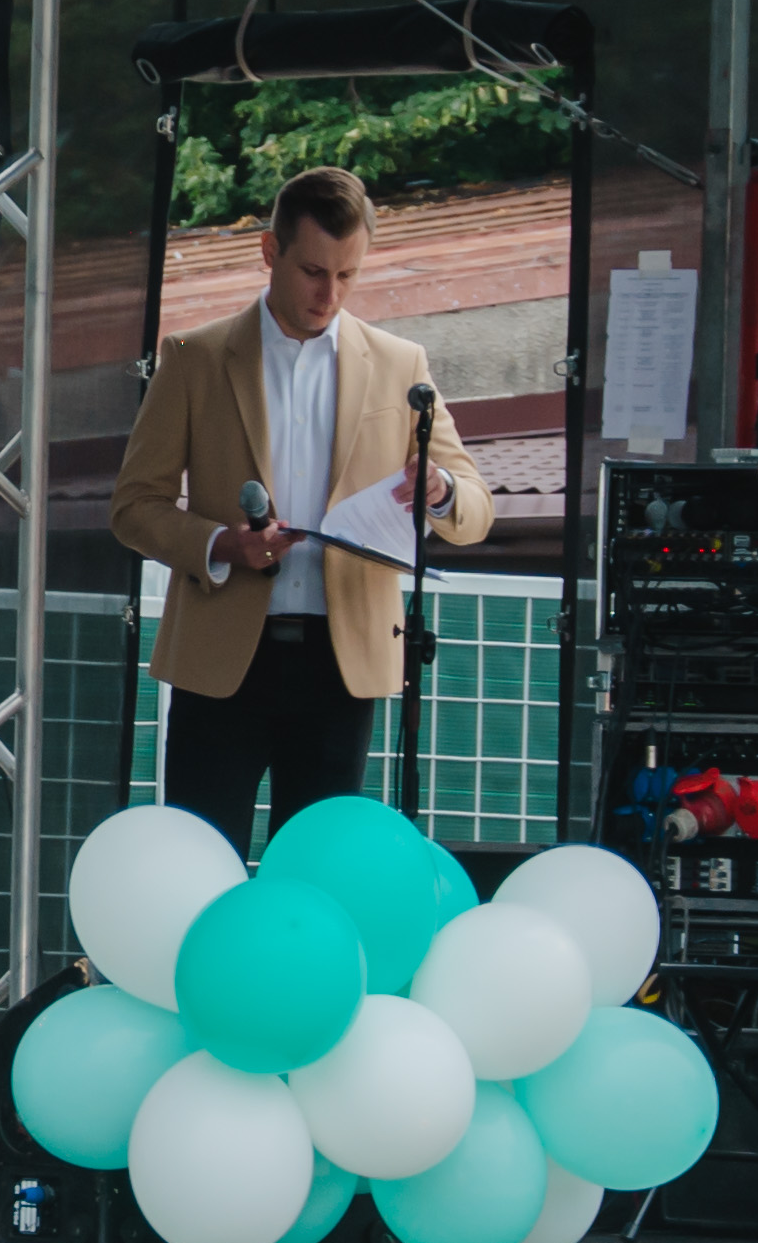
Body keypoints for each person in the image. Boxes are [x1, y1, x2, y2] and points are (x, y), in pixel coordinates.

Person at [108, 164, 495, 843]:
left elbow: (476, 509)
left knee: (314, 868)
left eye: (348, 275)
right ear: (270, 251)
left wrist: (440, 491)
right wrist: (222, 545)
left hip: (341, 665)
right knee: (203, 863)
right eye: (314, 271)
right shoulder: (194, 357)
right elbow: (135, 506)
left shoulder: (401, 364)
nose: (330, 294)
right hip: (222, 659)